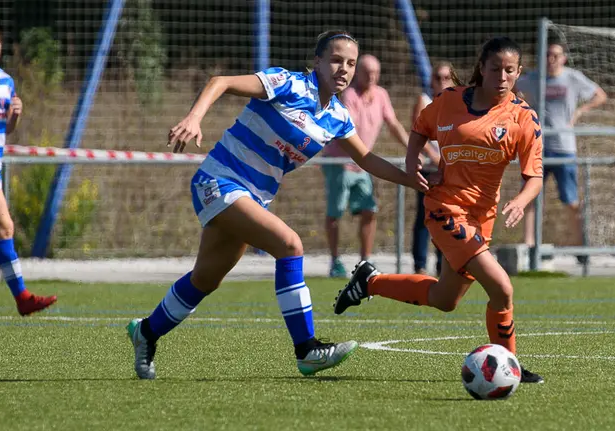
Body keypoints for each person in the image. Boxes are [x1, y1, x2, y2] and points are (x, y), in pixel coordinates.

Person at [126, 30, 428, 379]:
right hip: (219, 180)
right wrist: (194, 118)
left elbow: (367, 159)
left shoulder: (338, 117)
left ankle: (146, 332)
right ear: (317, 62)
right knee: (290, 245)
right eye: (335, 60)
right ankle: (307, 349)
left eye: (350, 63)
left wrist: (411, 179)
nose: (343, 69)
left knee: (205, 280)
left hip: (253, 197)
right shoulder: (288, 84)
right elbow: (220, 82)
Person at [333, 37, 545, 384]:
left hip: (482, 218)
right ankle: (511, 366)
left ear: (519, 72)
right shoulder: (449, 101)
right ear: (482, 68)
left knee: (445, 299)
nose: (502, 77)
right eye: (495, 69)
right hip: (444, 208)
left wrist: (521, 201)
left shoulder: (523, 117)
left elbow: (534, 176)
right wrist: (412, 159)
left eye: (510, 70)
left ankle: (370, 282)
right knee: (502, 289)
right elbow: (420, 128)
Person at [0, 18, 57, 316]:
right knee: (1, 221)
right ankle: (22, 296)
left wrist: (15, 116)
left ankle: (22, 298)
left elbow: (5, 128)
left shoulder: (6, 81)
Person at [320, 54, 413, 278]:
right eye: (367, 72)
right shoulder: (349, 94)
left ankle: (365, 260)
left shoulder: (381, 95)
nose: (371, 77)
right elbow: (348, 129)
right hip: (340, 163)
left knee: (369, 210)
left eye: (375, 73)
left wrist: (413, 149)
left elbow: (393, 124)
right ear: (358, 73)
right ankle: (335, 261)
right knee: (335, 213)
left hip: (363, 164)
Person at [517, 38, 607, 264]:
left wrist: (580, 112)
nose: (551, 59)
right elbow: (512, 90)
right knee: (530, 198)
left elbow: (600, 95)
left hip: (564, 148)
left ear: (563, 58)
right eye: (547, 55)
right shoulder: (533, 78)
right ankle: (530, 247)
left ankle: (580, 248)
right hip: (537, 148)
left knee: (571, 200)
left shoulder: (572, 78)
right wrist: (521, 110)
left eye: (556, 55)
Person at [410, 62, 460, 275]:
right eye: (438, 78)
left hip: (449, 169)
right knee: (425, 216)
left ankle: (443, 264)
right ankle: (420, 264)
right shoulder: (425, 100)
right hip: (430, 168)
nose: (442, 82)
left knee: (447, 216)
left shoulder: (458, 104)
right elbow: (417, 133)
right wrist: (435, 157)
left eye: (446, 78)